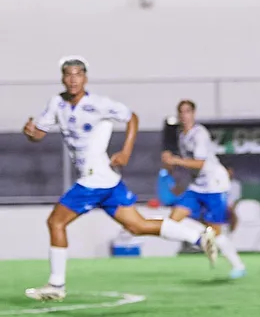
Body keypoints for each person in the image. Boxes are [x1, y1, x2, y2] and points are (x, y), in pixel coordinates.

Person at [22, 57, 216, 300]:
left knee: (56, 223)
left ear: (85, 78)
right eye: (69, 74)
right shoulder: (56, 104)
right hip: (108, 180)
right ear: (62, 78)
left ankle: (56, 285)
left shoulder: (98, 104)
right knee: (137, 225)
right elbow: (39, 133)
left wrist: (126, 151)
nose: (73, 79)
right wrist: (30, 133)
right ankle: (198, 237)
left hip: (94, 180)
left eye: (78, 74)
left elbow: (131, 117)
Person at [161, 100, 246, 278]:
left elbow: (199, 163)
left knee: (215, 231)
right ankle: (200, 237)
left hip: (214, 184)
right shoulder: (182, 135)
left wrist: (175, 160)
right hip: (197, 185)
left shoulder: (200, 134)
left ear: (193, 114)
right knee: (173, 221)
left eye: (187, 112)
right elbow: (188, 165)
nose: (184, 115)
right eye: (181, 112)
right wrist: (171, 163)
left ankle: (238, 266)